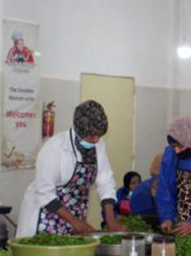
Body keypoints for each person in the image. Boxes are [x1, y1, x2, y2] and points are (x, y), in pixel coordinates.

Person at [18, 101, 123, 237]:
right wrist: (74, 221)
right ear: (79, 130)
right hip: (47, 215)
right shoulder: (55, 147)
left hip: (77, 214)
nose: (96, 140)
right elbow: (44, 192)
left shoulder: (98, 145)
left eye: (99, 135)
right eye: (92, 136)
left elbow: (105, 181)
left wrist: (110, 220)